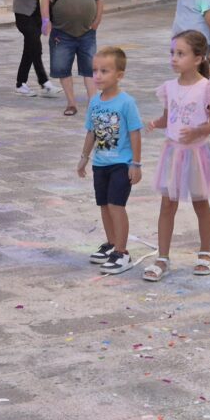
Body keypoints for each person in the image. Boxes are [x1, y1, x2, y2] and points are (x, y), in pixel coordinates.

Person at [142, 31, 210, 282]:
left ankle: (206, 251)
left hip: (197, 153)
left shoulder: (207, 87)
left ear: (198, 58)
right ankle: (163, 256)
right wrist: (156, 123)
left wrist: (199, 130)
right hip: (173, 151)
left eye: (181, 54)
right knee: (167, 204)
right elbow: (169, 117)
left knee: (201, 202)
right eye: (172, 53)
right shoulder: (169, 87)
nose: (174, 59)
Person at [79, 47, 142, 274]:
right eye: (95, 70)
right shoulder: (95, 101)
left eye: (104, 71)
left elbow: (135, 133)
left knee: (117, 206)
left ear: (119, 75)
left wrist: (136, 163)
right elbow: (91, 131)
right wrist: (84, 157)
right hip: (100, 163)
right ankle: (111, 243)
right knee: (104, 205)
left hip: (121, 164)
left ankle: (122, 252)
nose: (97, 76)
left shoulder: (126, 103)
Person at [40, 0, 104, 116]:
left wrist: (97, 20)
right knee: (62, 68)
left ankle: (93, 103)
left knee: (90, 69)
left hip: (87, 31)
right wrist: (46, 20)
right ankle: (71, 103)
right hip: (62, 31)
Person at [10, 0, 61, 97]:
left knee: (30, 48)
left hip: (38, 15)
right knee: (35, 47)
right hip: (24, 15)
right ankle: (44, 83)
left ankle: (21, 83)